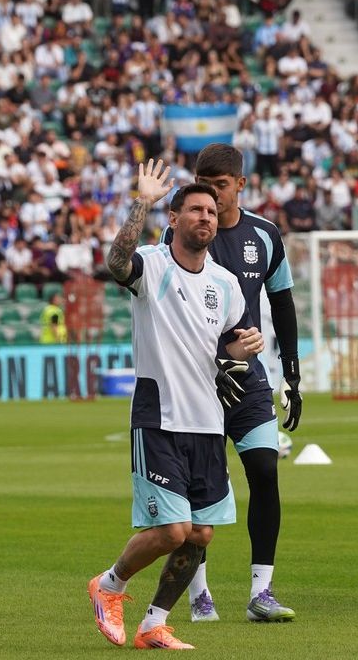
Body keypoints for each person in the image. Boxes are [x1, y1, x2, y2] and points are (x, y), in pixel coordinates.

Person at [87, 161, 264, 650]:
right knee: (171, 530)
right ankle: (110, 585)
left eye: (211, 210)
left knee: (200, 534)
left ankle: (154, 624)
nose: (206, 217)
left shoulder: (226, 284)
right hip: (158, 417)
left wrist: (242, 348)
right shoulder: (152, 264)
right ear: (173, 218)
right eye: (195, 210)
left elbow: (225, 349)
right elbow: (115, 263)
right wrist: (140, 200)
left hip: (208, 421)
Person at [162, 143, 301, 623]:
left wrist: (295, 379)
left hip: (248, 379)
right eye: (203, 184)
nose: (211, 197)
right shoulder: (180, 231)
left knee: (264, 471)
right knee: (202, 490)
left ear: (240, 184)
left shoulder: (264, 234)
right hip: (196, 382)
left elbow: (282, 304)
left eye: (220, 186)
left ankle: (261, 591)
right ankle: (199, 593)